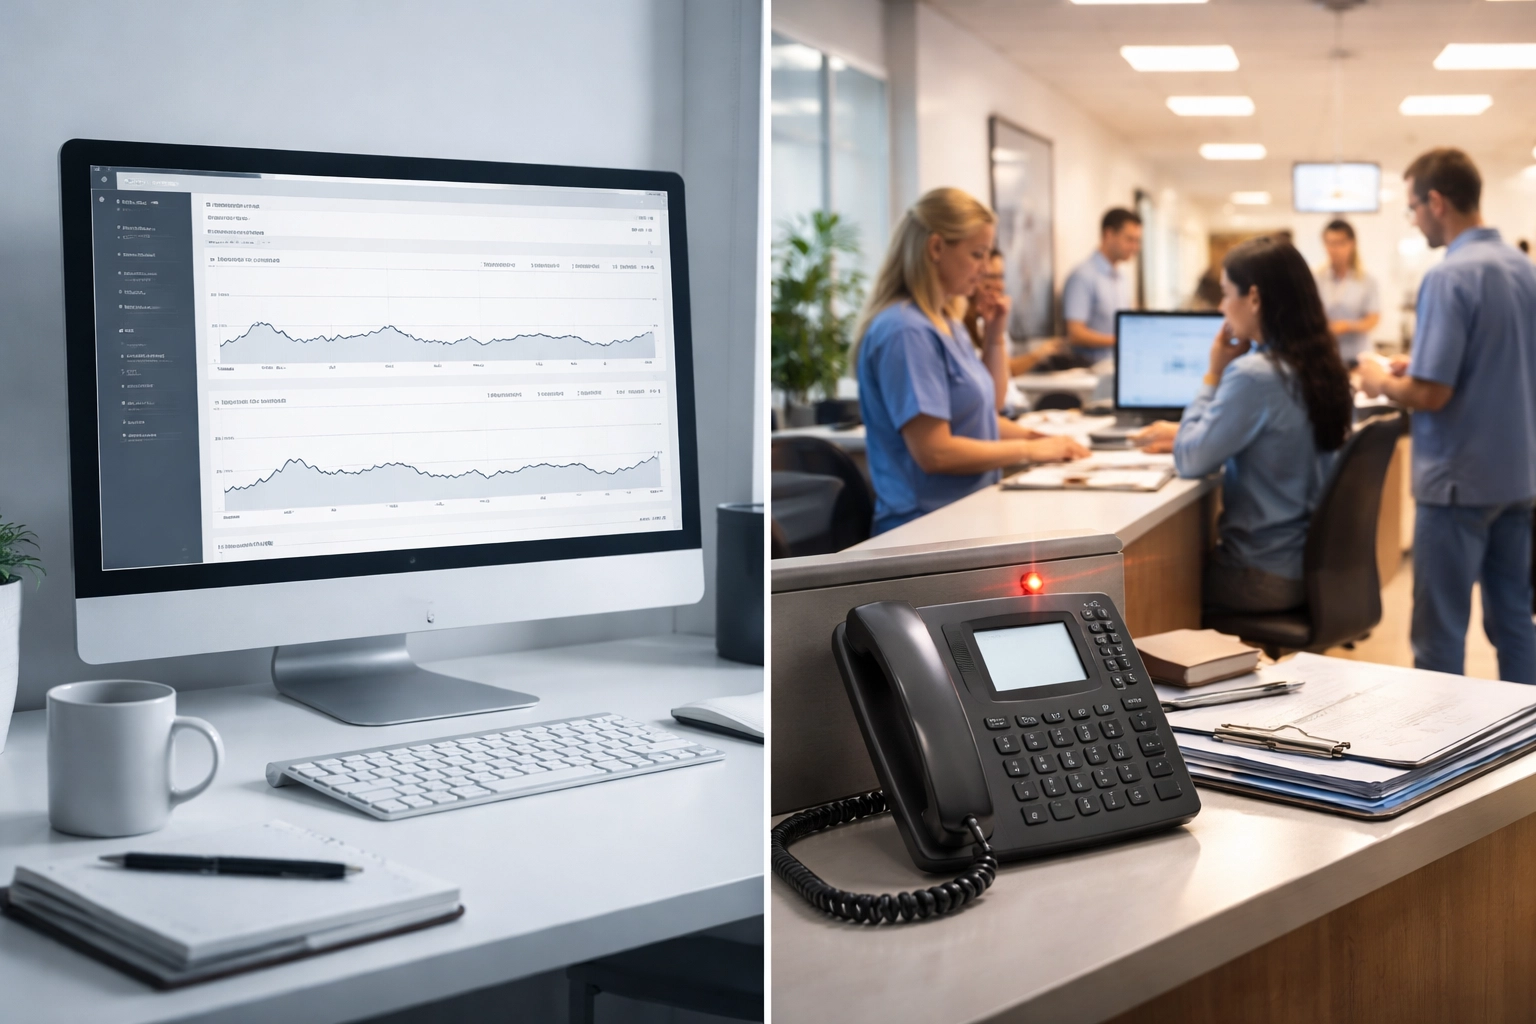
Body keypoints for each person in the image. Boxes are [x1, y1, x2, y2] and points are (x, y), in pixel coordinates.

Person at [1358, 148, 1536, 684]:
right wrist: (1423, 364)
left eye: (1413, 207)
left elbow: (1431, 395)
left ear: (1436, 202)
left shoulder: (1449, 275)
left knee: (1440, 637)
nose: (1414, 219)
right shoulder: (1524, 269)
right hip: (1517, 480)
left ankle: (1446, 761)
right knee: (1515, 624)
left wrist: (1380, 382)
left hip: (1457, 486)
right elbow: (1503, 359)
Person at [1132, 237, 1353, 613]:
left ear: (1253, 298)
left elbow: (1189, 459)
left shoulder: (1254, 376)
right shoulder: (1321, 368)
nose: (1221, 307)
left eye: (1225, 293)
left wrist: (1213, 372)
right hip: (1312, 570)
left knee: (1147, 584)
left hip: (1258, 577)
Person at [856, 188, 1089, 534]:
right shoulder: (906, 331)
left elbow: (986, 411)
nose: (984, 270)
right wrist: (1029, 449)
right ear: (936, 248)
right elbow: (936, 453)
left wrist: (994, 336)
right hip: (922, 530)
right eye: (977, 254)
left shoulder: (947, 322)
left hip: (965, 516)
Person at [961, 249, 1065, 412]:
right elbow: (1005, 374)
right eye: (991, 277)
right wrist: (1038, 354)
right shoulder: (957, 327)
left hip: (1009, 407)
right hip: (1000, 412)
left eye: (1001, 277)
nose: (1000, 285)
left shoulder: (992, 320)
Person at [1061, 208, 1142, 363]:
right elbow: (1075, 333)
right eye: (1129, 239)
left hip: (1119, 364)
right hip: (1090, 369)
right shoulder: (1083, 276)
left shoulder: (1122, 279)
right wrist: (1118, 340)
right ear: (1109, 235)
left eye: (1137, 241)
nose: (1135, 247)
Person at [1314, 219, 1381, 367]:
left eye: (1339, 243)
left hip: (1357, 356)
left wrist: (1347, 326)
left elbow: (1373, 319)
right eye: (1329, 243)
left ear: (1352, 244)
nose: (1333, 249)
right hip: (1325, 353)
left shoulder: (1367, 280)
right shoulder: (1316, 278)